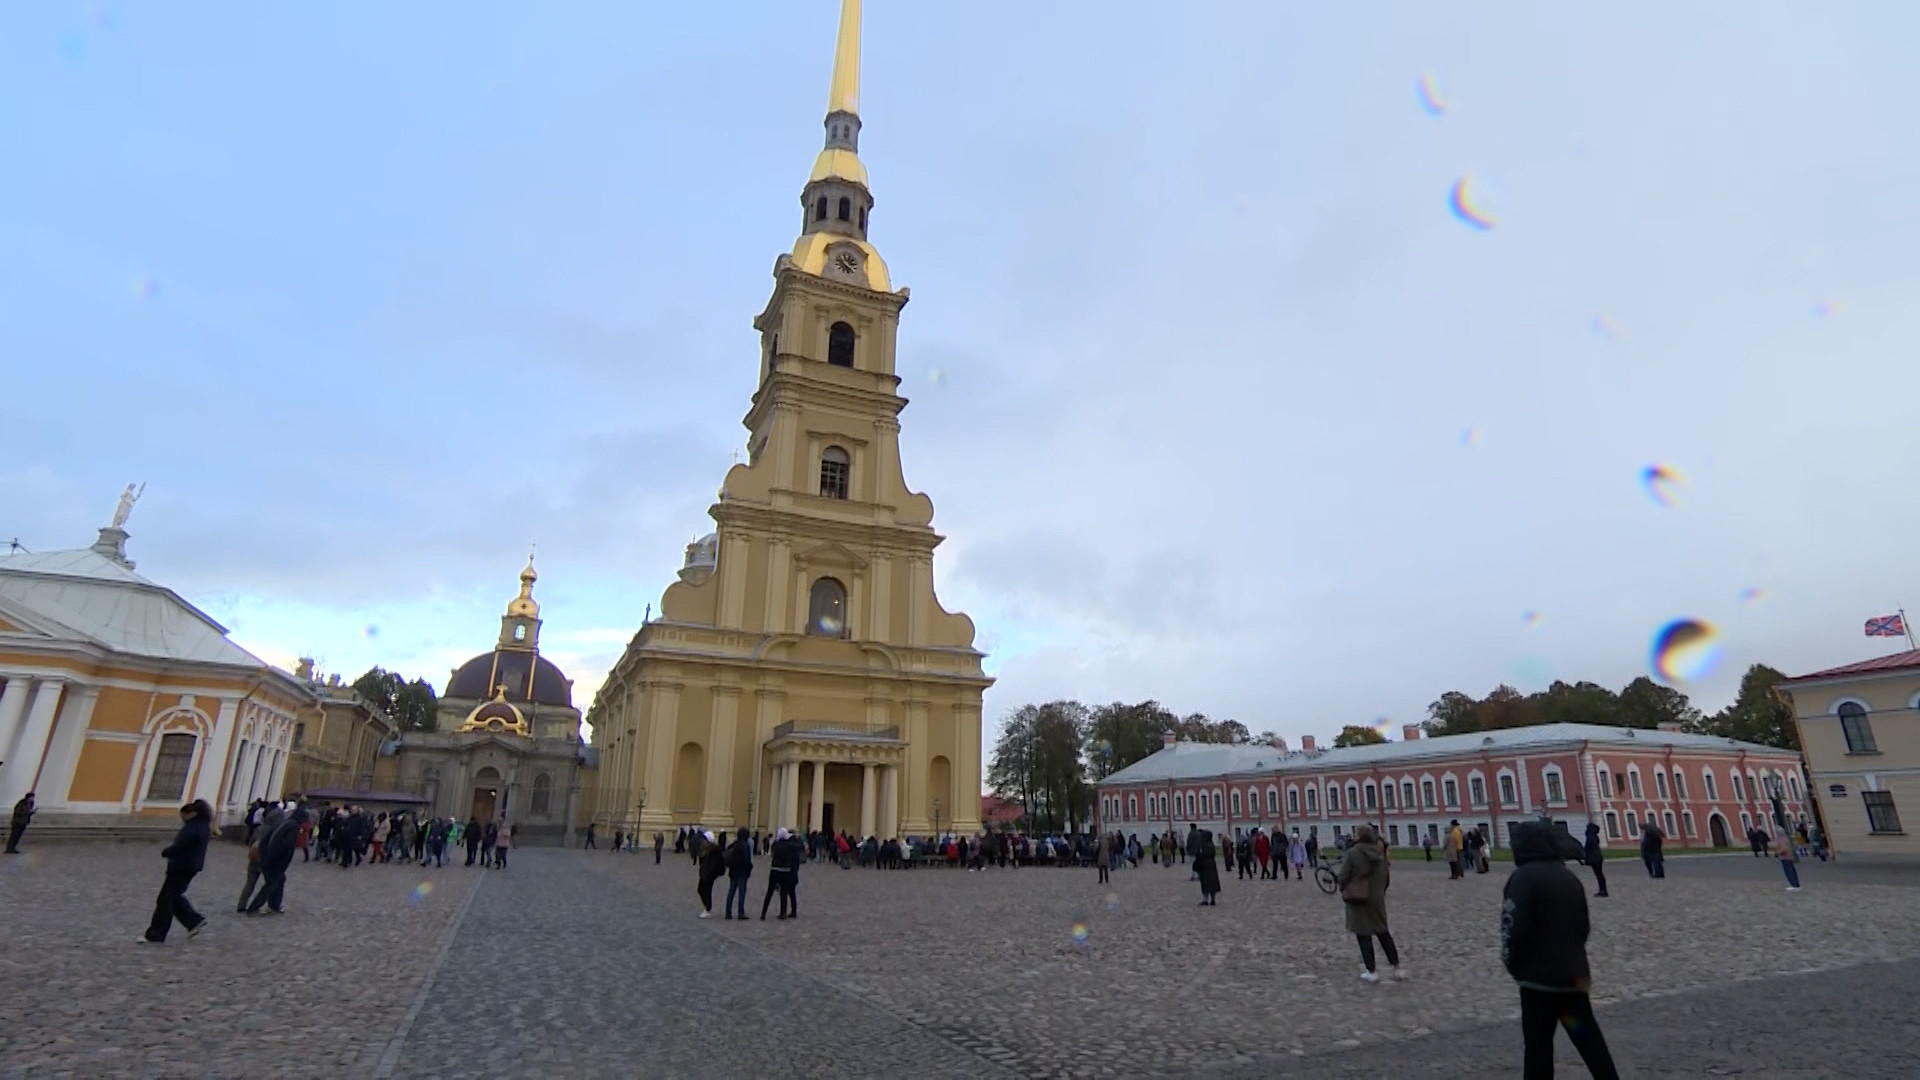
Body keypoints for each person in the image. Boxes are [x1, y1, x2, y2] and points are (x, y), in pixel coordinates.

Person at [1501, 820, 1620, 1079]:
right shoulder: (1568, 877)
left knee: (1538, 1047)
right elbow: (1583, 927)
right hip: (1573, 978)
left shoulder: (1522, 878)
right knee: (1588, 1039)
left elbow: (1513, 928)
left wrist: (1513, 963)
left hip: (1538, 983)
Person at [1336, 823, 1404, 983]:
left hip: (1359, 898)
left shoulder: (1353, 853)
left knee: (1363, 935)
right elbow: (1386, 877)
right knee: (1383, 932)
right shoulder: (1379, 853)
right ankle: (1397, 967)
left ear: (1358, 836)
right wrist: (1380, 891)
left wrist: (1344, 888)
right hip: (1377, 899)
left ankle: (1371, 970)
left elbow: (1343, 876)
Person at [142, 800, 213, 944]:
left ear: (191, 813)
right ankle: (193, 921)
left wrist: (167, 852)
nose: (182, 819)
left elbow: (181, 845)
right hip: (190, 866)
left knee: (165, 900)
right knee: (172, 897)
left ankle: (156, 933)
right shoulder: (204, 825)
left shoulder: (193, 827)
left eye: (183, 815)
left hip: (181, 866)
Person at [244, 807, 306, 914]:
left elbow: (265, 840)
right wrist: (282, 862)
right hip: (275, 860)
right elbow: (287, 846)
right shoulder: (293, 827)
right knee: (271, 884)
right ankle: (254, 907)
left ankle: (274, 905)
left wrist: (264, 855)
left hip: (267, 857)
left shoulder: (283, 823)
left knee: (279, 880)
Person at [723, 826, 753, 919]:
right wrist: (749, 869)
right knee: (741, 892)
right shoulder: (745, 846)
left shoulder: (734, 844)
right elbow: (747, 860)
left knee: (731, 892)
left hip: (733, 872)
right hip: (742, 873)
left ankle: (728, 912)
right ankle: (740, 912)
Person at [696, 830, 725, 918]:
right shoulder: (706, 850)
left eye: (705, 840)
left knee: (706, 890)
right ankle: (707, 907)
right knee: (701, 890)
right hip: (705, 873)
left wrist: (710, 873)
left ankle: (708, 908)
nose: (703, 841)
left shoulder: (715, 851)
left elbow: (716, 864)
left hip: (709, 874)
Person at [1192, 827, 1221, 906]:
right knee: (1212, 883)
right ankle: (1213, 899)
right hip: (1212, 864)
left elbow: (1199, 854)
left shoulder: (1202, 844)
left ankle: (1205, 899)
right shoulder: (1211, 844)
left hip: (1204, 865)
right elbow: (1213, 854)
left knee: (1205, 883)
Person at [1582, 822, 1608, 898]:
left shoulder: (1590, 837)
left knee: (1599, 874)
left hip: (1594, 857)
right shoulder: (1594, 836)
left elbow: (1588, 847)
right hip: (1598, 857)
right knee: (1599, 874)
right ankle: (1603, 890)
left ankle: (1603, 890)